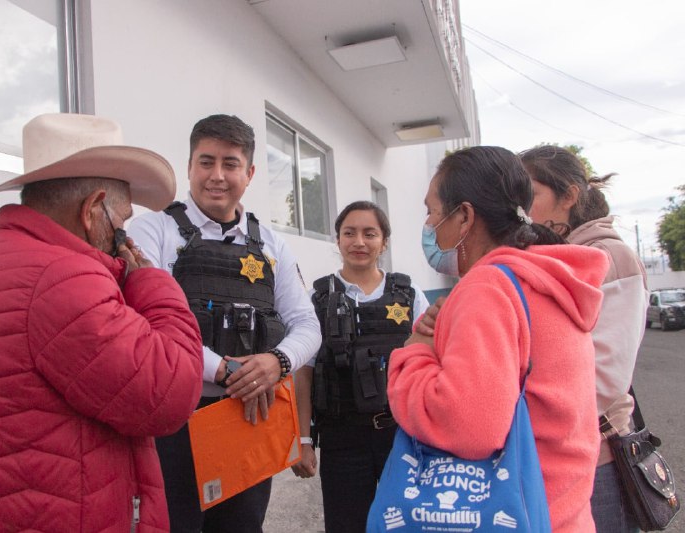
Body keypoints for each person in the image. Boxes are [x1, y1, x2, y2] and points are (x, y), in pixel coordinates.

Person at [0, 113, 204, 533]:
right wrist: (151, 281)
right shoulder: (63, 276)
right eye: (122, 225)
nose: (126, 242)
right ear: (92, 211)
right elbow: (171, 392)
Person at [387, 146, 609, 533]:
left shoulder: (488, 287)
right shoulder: (546, 280)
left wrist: (414, 355)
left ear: (465, 217)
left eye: (432, 211)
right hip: (561, 513)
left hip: (514, 516)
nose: (428, 224)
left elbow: (466, 427)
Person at [128, 113, 321, 533]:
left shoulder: (271, 245)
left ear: (249, 173)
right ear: (190, 166)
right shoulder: (151, 232)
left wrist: (276, 363)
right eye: (206, 162)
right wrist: (227, 370)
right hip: (175, 421)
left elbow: (307, 324)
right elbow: (149, 325)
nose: (217, 175)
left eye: (230, 164)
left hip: (247, 418)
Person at [520, 145, 648, 533]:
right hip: (551, 454)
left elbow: (605, 379)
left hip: (598, 460)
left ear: (569, 196)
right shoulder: (553, 256)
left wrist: (524, 413)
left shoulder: (612, 257)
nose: (523, 210)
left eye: (531, 196)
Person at [290, 201, 429, 533]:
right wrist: (302, 440)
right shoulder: (317, 299)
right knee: (346, 524)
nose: (359, 242)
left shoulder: (409, 295)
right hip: (342, 437)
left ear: (385, 241)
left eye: (370, 233)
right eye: (349, 233)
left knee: (409, 523)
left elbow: (429, 362)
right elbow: (304, 373)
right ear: (337, 241)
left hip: (402, 434)